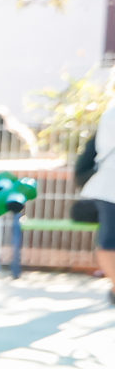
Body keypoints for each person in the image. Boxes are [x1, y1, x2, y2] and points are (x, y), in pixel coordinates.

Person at [84, 89, 115, 300]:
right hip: (109, 185)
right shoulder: (111, 114)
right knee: (108, 241)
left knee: (108, 241)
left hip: (107, 185)